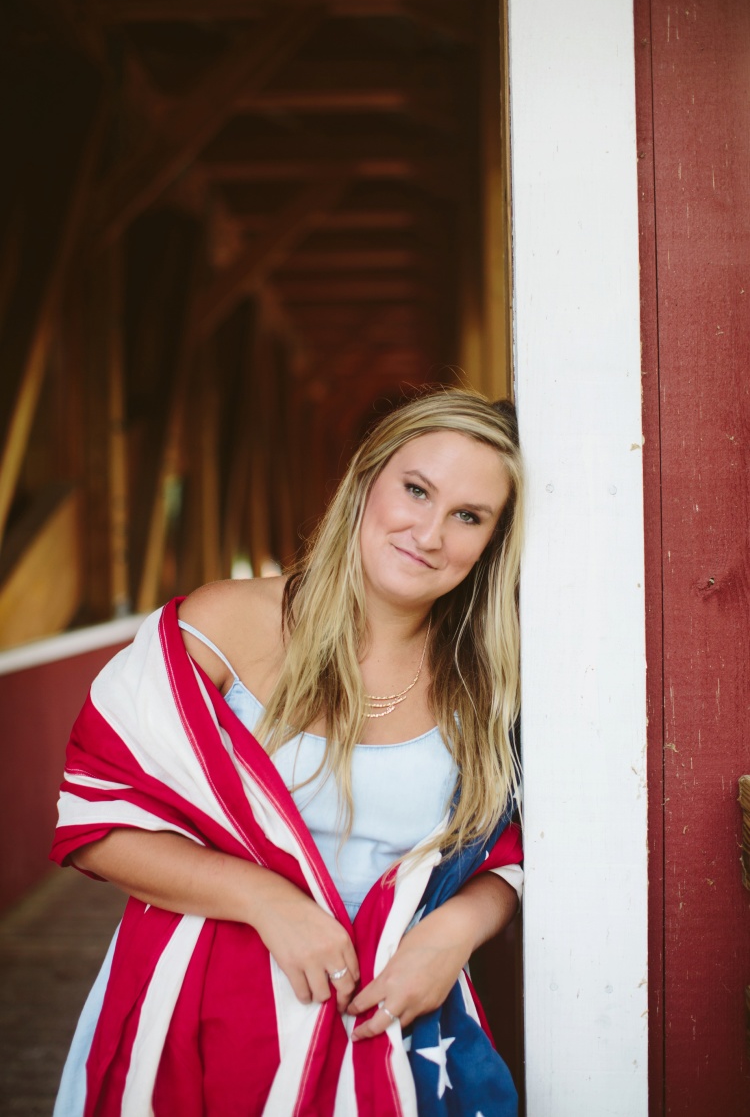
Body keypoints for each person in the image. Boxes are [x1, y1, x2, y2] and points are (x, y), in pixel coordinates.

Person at [51, 387, 525, 1116]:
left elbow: (510, 854)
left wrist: (455, 933)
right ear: (365, 482)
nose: (430, 533)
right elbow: (97, 821)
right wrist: (268, 901)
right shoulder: (220, 625)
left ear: (495, 540)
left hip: (398, 1027)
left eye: (468, 516)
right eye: (416, 490)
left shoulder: (490, 680)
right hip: (199, 1023)